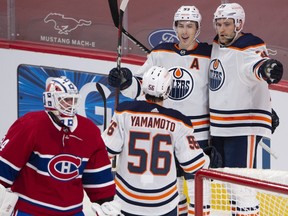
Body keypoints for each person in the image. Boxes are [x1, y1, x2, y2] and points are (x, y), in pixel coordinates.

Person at [108, 6, 212, 215]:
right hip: (166, 128)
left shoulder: (209, 54)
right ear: (174, 27)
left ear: (197, 28)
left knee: (199, 188)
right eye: (180, 25)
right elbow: (142, 86)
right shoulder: (160, 52)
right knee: (174, 185)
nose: (184, 31)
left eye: (189, 26)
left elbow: (223, 89)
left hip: (197, 132)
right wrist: (126, 81)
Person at [0, 76, 121, 216]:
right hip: (30, 210)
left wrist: (106, 203)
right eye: (66, 100)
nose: (71, 104)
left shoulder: (89, 131)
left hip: (72, 212)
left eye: (73, 99)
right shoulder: (29, 125)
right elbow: (4, 171)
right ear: (51, 99)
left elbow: (99, 181)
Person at [102, 66, 210, 216]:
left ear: (144, 86)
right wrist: (208, 158)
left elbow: (105, 152)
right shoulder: (179, 121)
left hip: (126, 201)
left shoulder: (124, 112)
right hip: (163, 204)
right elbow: (194, 165)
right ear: (167, 90)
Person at [209, 3, 283, 215]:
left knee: (242, 186)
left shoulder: (250, 45)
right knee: (230, 185)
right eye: (219, 24)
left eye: (227, 24)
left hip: (243, 127)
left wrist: (267, 69)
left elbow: (256, 65)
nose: (221, 29)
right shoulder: (217, 45)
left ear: (239, 24)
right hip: (220, 127)